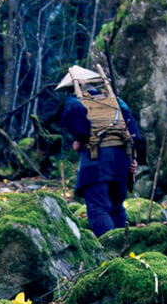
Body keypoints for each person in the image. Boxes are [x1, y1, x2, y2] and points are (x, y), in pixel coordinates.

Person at [58, 66, 147, 237]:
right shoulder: (117, 101)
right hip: (122, 161)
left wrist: (79, 140)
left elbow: (79, 139)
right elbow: (135, 134)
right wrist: (133, 160)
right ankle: (122, 249)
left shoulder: (75, 103)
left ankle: (110, 251)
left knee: (98, 207)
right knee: (116, 207)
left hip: (96, 161)